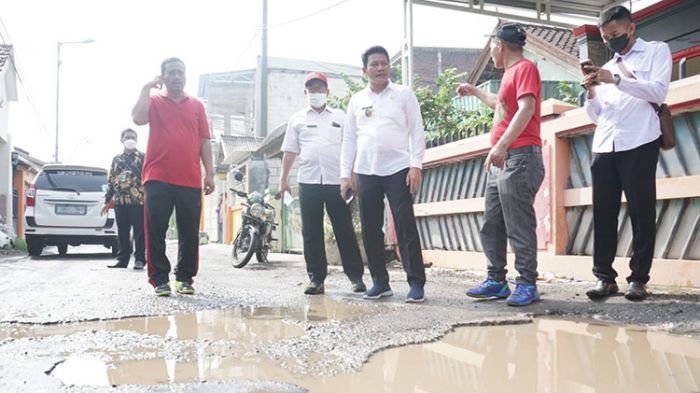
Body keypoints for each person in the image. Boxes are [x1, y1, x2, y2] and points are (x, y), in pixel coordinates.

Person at [581, 5, 671, 301]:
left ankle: (639, 279)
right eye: (606, 38)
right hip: (606, 143)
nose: (610, 42)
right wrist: (592, 92)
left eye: (615, 35)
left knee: (641, 211)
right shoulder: (609, 65)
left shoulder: (656, 51)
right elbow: (597, 115)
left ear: (631, 28)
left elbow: (658, 92)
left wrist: (615, 80)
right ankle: (605, 278)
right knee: (603, 213)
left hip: (640, 140)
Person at [458, 22, 545, 306]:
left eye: (491, 45)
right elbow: (502, 104)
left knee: (518, 223)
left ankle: (527, 283)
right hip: (503, 159)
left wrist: (501, 145)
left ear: (500, 45)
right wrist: (475, 91)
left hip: (519, 157)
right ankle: (496, 280)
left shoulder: (525, 68)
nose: (491, 50)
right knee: (492, 222)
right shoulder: (510, 74)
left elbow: (527, 109)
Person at [340, 45, 426, 303]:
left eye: (384, 63)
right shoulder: (356, 100)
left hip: (398, 169)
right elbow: (349, 139)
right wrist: (346, 174)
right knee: (369, 228)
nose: (380, 68)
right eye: (375, 64)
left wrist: (416, 165)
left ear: (390, 66)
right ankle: (380, 281)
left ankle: (416, 283)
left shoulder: (404, 94)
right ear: (364, 69)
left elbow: (417, 130)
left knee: (405, 225)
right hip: (366, 171)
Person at [131, 57, 215, 297]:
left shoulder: (196, 105)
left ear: (185, 75)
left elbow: (204, 140)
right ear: (163, 77)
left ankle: (185, 278)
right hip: (157, 176)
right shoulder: (154, 101)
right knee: (155, 228)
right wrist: (146, 88)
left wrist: (209, 173)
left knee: (189, 231)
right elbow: (137, 118)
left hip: (189, 177)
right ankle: (159, 279)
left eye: (180, 72)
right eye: (171, 73)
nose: (176, 76)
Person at [280, 72, 366, 295]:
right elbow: (290, 151)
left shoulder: (340, 116)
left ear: (327, 91)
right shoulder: (297, 119)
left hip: (337, 182)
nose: (316, 93)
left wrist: (352, 175)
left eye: (320, 89)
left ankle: (356, 277)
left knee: (344, 229)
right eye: (311, 89)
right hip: (308, 182)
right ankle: (316, 279)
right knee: (311, 232)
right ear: (305, 92)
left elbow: (350, 148)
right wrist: (283, 179)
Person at [102, 128, 146, 270]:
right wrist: (107, 201)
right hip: (120, 201)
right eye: (127, 137)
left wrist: (148, 196)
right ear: (121, 140)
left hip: (138, 200)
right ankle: (122, 260)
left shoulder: (143, 158)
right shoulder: (117, 160)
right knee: (122, 231)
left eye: (133, 137)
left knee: (139, 231)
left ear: (137, 140)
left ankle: (139, 259)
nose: (130, 139)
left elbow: (148, 178)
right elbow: (111, 181)